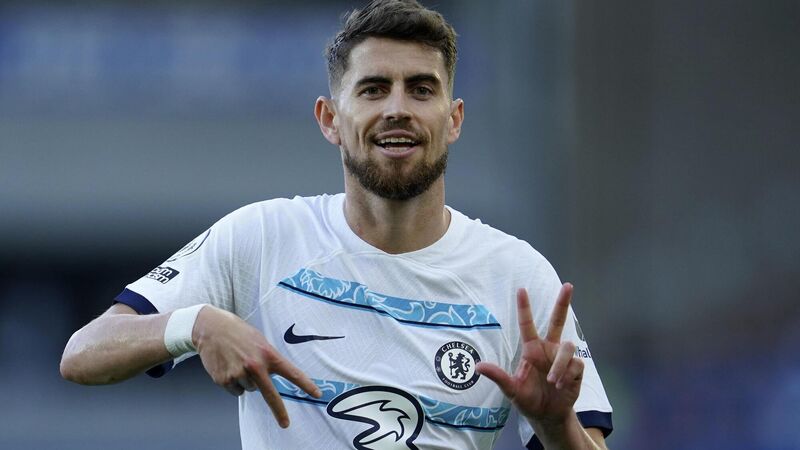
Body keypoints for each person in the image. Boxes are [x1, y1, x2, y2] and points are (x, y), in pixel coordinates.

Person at [60, 0, 613, 448]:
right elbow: (83, 353)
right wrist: (195, 324)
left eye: (421, 89)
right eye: (374, 89)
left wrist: (555, 427)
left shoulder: (518, 277)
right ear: (330, 120)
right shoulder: (262, 238)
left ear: (453, 119)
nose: (397, 108)